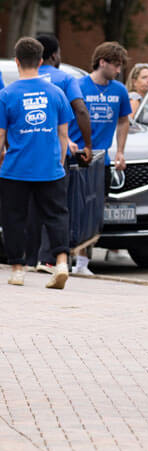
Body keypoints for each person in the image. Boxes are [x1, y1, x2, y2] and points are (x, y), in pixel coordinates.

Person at [1, 37, 74, 289]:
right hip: (50, 168)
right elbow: (63, 135)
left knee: (14, 218)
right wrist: (60, 163)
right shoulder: (57, 93)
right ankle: (62, 262)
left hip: (15, 169)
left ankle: (18, 269)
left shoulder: (6, 95)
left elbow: (0, 137)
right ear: (41, 61)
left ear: (17, 61)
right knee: (56, 215)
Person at [68, 42, 131, 276]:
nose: (118, 70)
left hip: (101, 160)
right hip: (77, 157)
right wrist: (66, 141)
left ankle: (83, 263)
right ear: (102, 62)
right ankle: (65, 257)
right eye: (115, 65)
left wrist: (120, 151)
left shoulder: (119, 90)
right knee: (72, 208)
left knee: (94, 211)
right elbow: (62, 115)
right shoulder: (78, 86)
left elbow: (124, 120)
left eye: (120, 66)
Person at [36, 34, 93, 162]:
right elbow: (81, 110)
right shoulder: (66, 79)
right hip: (58, 153)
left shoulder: (24, 80)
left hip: (28, 154)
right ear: (54, 56)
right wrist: (88, 145)